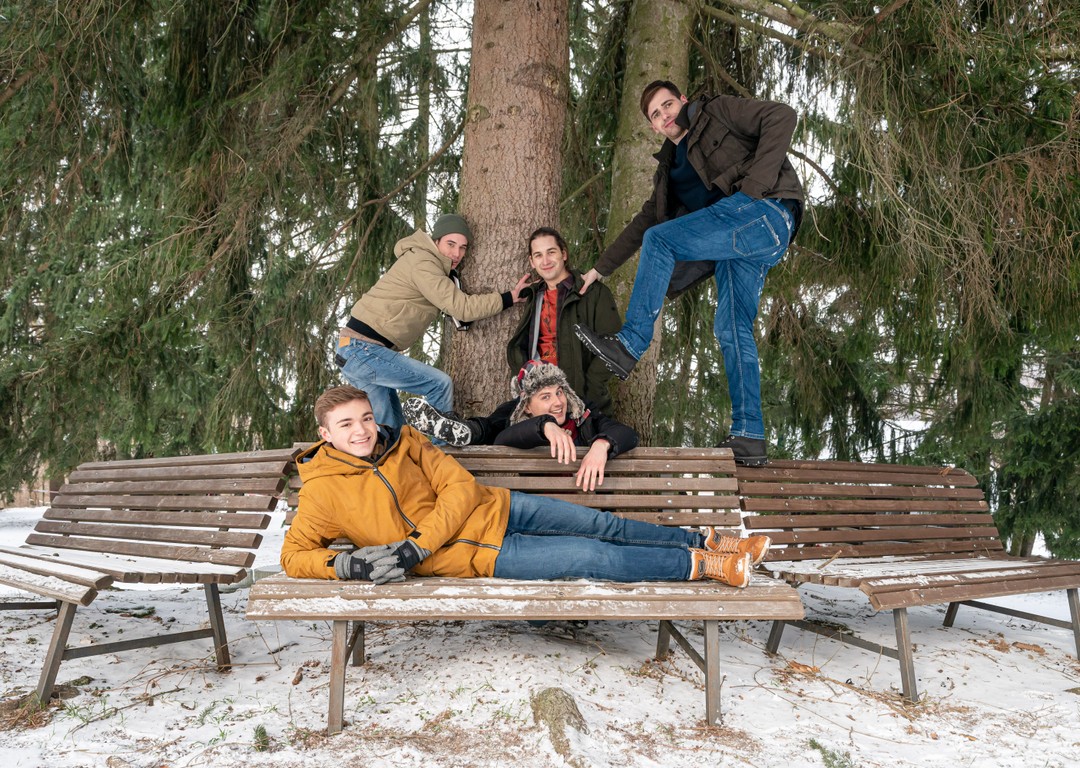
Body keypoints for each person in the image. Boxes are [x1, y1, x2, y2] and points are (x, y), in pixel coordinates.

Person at [279, 385, 772, 588]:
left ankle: (708, 539)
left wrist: (415, 548)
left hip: (502, 507)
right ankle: (703, 565)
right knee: (592, 556)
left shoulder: (405, 442)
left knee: (604, 525)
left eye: (366, 417)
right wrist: (345, 564)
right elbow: (294, 556)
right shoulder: (322, 489)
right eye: (347, 425)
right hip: (485, 555)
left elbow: (460, 488)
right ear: (326, 434)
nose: (362, 431)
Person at [571, 81, 804, 467]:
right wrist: (597, 271)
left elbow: (782, 115)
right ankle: (750, 434)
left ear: (683, 100)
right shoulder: (669, 174)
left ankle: (630, 343)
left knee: (660, 240)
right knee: (731, 329)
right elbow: (642, 223)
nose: (665, 116)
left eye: (667, 105)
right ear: (653, 127)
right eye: (656, 115)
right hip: (740, 245)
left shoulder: (716, 112)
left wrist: (754, 188)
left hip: (766, 211)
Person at [335, 213, 532, 437]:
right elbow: (462, 307)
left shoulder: (428, 264)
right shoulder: (424, 263)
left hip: (356, 351)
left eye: (463, 247)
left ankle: (394, 456)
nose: (456, 253)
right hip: (363, 349)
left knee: (390, 433)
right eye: (450, 244)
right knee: (439, 384)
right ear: (436, 240)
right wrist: (508, 298)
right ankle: (438, 450)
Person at [488, 361, 637, 491]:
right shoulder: (519, 428)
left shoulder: (584, 418)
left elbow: (627, 433)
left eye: (559, 392)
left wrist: (602, 444)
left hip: (588, 505)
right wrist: (545, 425)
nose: (558, 402)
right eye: (546, 396)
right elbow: (502, 439)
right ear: (527, 407)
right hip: (542, 509)